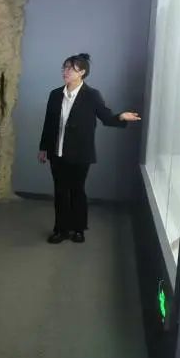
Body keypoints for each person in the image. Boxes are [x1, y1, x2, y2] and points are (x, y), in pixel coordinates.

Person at [38, 53, 141, 244]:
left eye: (71, 69)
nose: (66, 71)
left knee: (77, 191)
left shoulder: (91, 95)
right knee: (60, 192)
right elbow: (49, 124)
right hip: (56, 152)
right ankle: (61, 229)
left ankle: (78, 229)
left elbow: (106, 117)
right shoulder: (55, 94)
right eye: (65, 67)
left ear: (82, 72)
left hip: (80, 153)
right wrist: (43, 148)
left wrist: (120, 117)